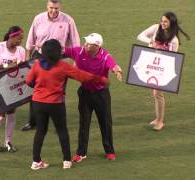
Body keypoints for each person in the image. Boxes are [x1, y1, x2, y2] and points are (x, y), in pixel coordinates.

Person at [26, 39, 108, 170]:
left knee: (40, 131)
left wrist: (39, 87)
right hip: (55, 103)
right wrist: (100, 79)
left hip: (38, 103)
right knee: (62, 130)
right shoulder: (63, 66)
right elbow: (83, 76)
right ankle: (66, 161)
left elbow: (28, 81)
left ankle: (36, 162)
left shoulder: (37, 65)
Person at [22, 0, 80, 131]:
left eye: (56, 8)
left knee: (59, 90)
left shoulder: (68, 20)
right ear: (47, 6)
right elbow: (30, 40)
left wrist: (76, 61)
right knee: (35, 89)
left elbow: (76, 43)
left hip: (59, 58)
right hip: (40, 56)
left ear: (60, 7)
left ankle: (59, 124)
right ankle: (33, 122)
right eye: (51, 8)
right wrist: (27, 60)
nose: (54, 11)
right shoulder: (38, 19)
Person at [64, 33, 123, 162]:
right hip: (85, 93)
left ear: (97, 46)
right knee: (84, 123)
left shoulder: (105, 55)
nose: (85, 44)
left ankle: (109, 151)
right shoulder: (79, 51)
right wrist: (45, 47)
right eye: (86, 42)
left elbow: (113, 65)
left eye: (89, 43)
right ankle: (81, 152)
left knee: (105, 123)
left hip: (101, 95)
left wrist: (117, 71)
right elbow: (64, 51)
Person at [137, 11, 190, 131]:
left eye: (165, 21)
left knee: (158, 93)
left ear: (171, 23)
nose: (163, 23)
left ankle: (160, 121)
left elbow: (171, 58)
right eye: (162, 20)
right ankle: (158, 118)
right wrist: (151, 42)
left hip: (163, 68)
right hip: (152, 63)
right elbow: (140, 36)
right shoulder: (156, 28)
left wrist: (158, 48)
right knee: (156, 93)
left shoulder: (174, 40)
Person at [0, 26, 25, 152]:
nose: (20, 41)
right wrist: (7, 66)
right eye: (18, 39)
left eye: (22, 39)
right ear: (11, 37)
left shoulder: (21, 50)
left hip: (12, 86)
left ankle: (8, 141)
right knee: (1, 112)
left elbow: (22, 68)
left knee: (11, 113)